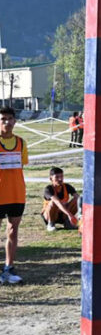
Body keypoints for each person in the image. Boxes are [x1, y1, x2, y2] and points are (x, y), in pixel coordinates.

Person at [0, 107, 27, 284]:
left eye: (10, 119)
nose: (7, 122)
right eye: (3, 119)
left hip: (16, 194)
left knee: (13, 230)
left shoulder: (21, 142)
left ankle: (9, 268)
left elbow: (21, 166)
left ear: (15, 121)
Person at [41, 167, 79, 231]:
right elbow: (57, 203)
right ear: (51, 178)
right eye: (57, 177)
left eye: (61, 176)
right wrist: (70, 215)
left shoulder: (67, 186)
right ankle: (51, 224)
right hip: (50, 215)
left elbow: (79, 198)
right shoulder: (48, 189)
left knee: (78, 200)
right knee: (53, 202)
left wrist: (82, 214)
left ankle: (67, 222)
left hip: (63, 214)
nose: (60, 179)